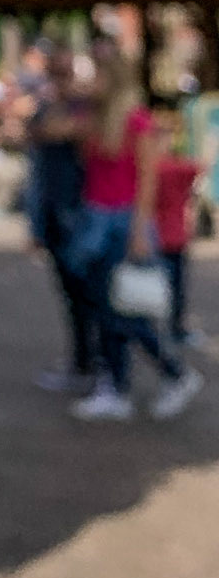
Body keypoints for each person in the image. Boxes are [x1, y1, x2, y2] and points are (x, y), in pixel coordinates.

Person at [70, 51, 202, 424]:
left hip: (121, 221)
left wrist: (139, 232)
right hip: (97, 219)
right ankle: (117, 386)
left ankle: (173, 372)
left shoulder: (137, 121)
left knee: (121, 311)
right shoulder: (97, 118)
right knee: (104, 307)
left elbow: (147, 179)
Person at [24, 47, 97, 395]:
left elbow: (63, 132)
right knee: (72, 293)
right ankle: (84, 360)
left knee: (88, 293)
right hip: (55, 212)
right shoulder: (49, 105)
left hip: (77, 212)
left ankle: (93, 363)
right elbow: (39, 136)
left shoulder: (82, 106)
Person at [151, 91, 202, 352]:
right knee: (175, 289)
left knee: (156, 286)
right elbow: (201, 167)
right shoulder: (172, 167)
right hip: (173, 235)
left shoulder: (152, 168)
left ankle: (160, 329)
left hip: (158, 235)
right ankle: (175, 329)